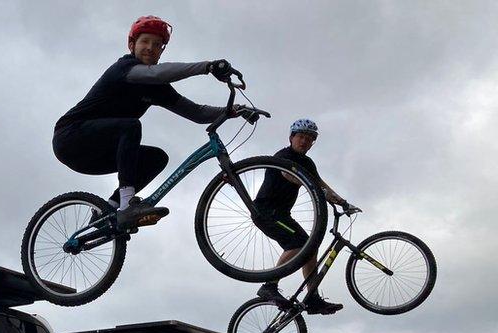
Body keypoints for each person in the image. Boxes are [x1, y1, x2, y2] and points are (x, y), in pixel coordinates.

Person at [52, 15, 253, 229]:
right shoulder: (124, 69)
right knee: (130, 126)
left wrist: (231, 111)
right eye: (145, 42)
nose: (151, 48)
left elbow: (196, 113)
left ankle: (108, 211)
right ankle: (128, 205)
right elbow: (157, 73)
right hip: (70, 138)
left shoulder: (158, 89)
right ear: (132, 45)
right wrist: (207, 67)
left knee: (156, 158)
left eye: (157, 45)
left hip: (97, 153)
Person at [253, 119, 352, 315]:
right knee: (299, 243)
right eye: (301, 137)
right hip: (266, 212)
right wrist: (314, 188)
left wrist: (343, 202)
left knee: (311, 246)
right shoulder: (283, 156)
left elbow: (320, 184)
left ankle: (312, 298)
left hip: (282, 214)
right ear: (291, 138)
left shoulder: (307, 163)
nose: (304, 141)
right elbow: (289, 175)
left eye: (309, 139)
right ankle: (269, 286)